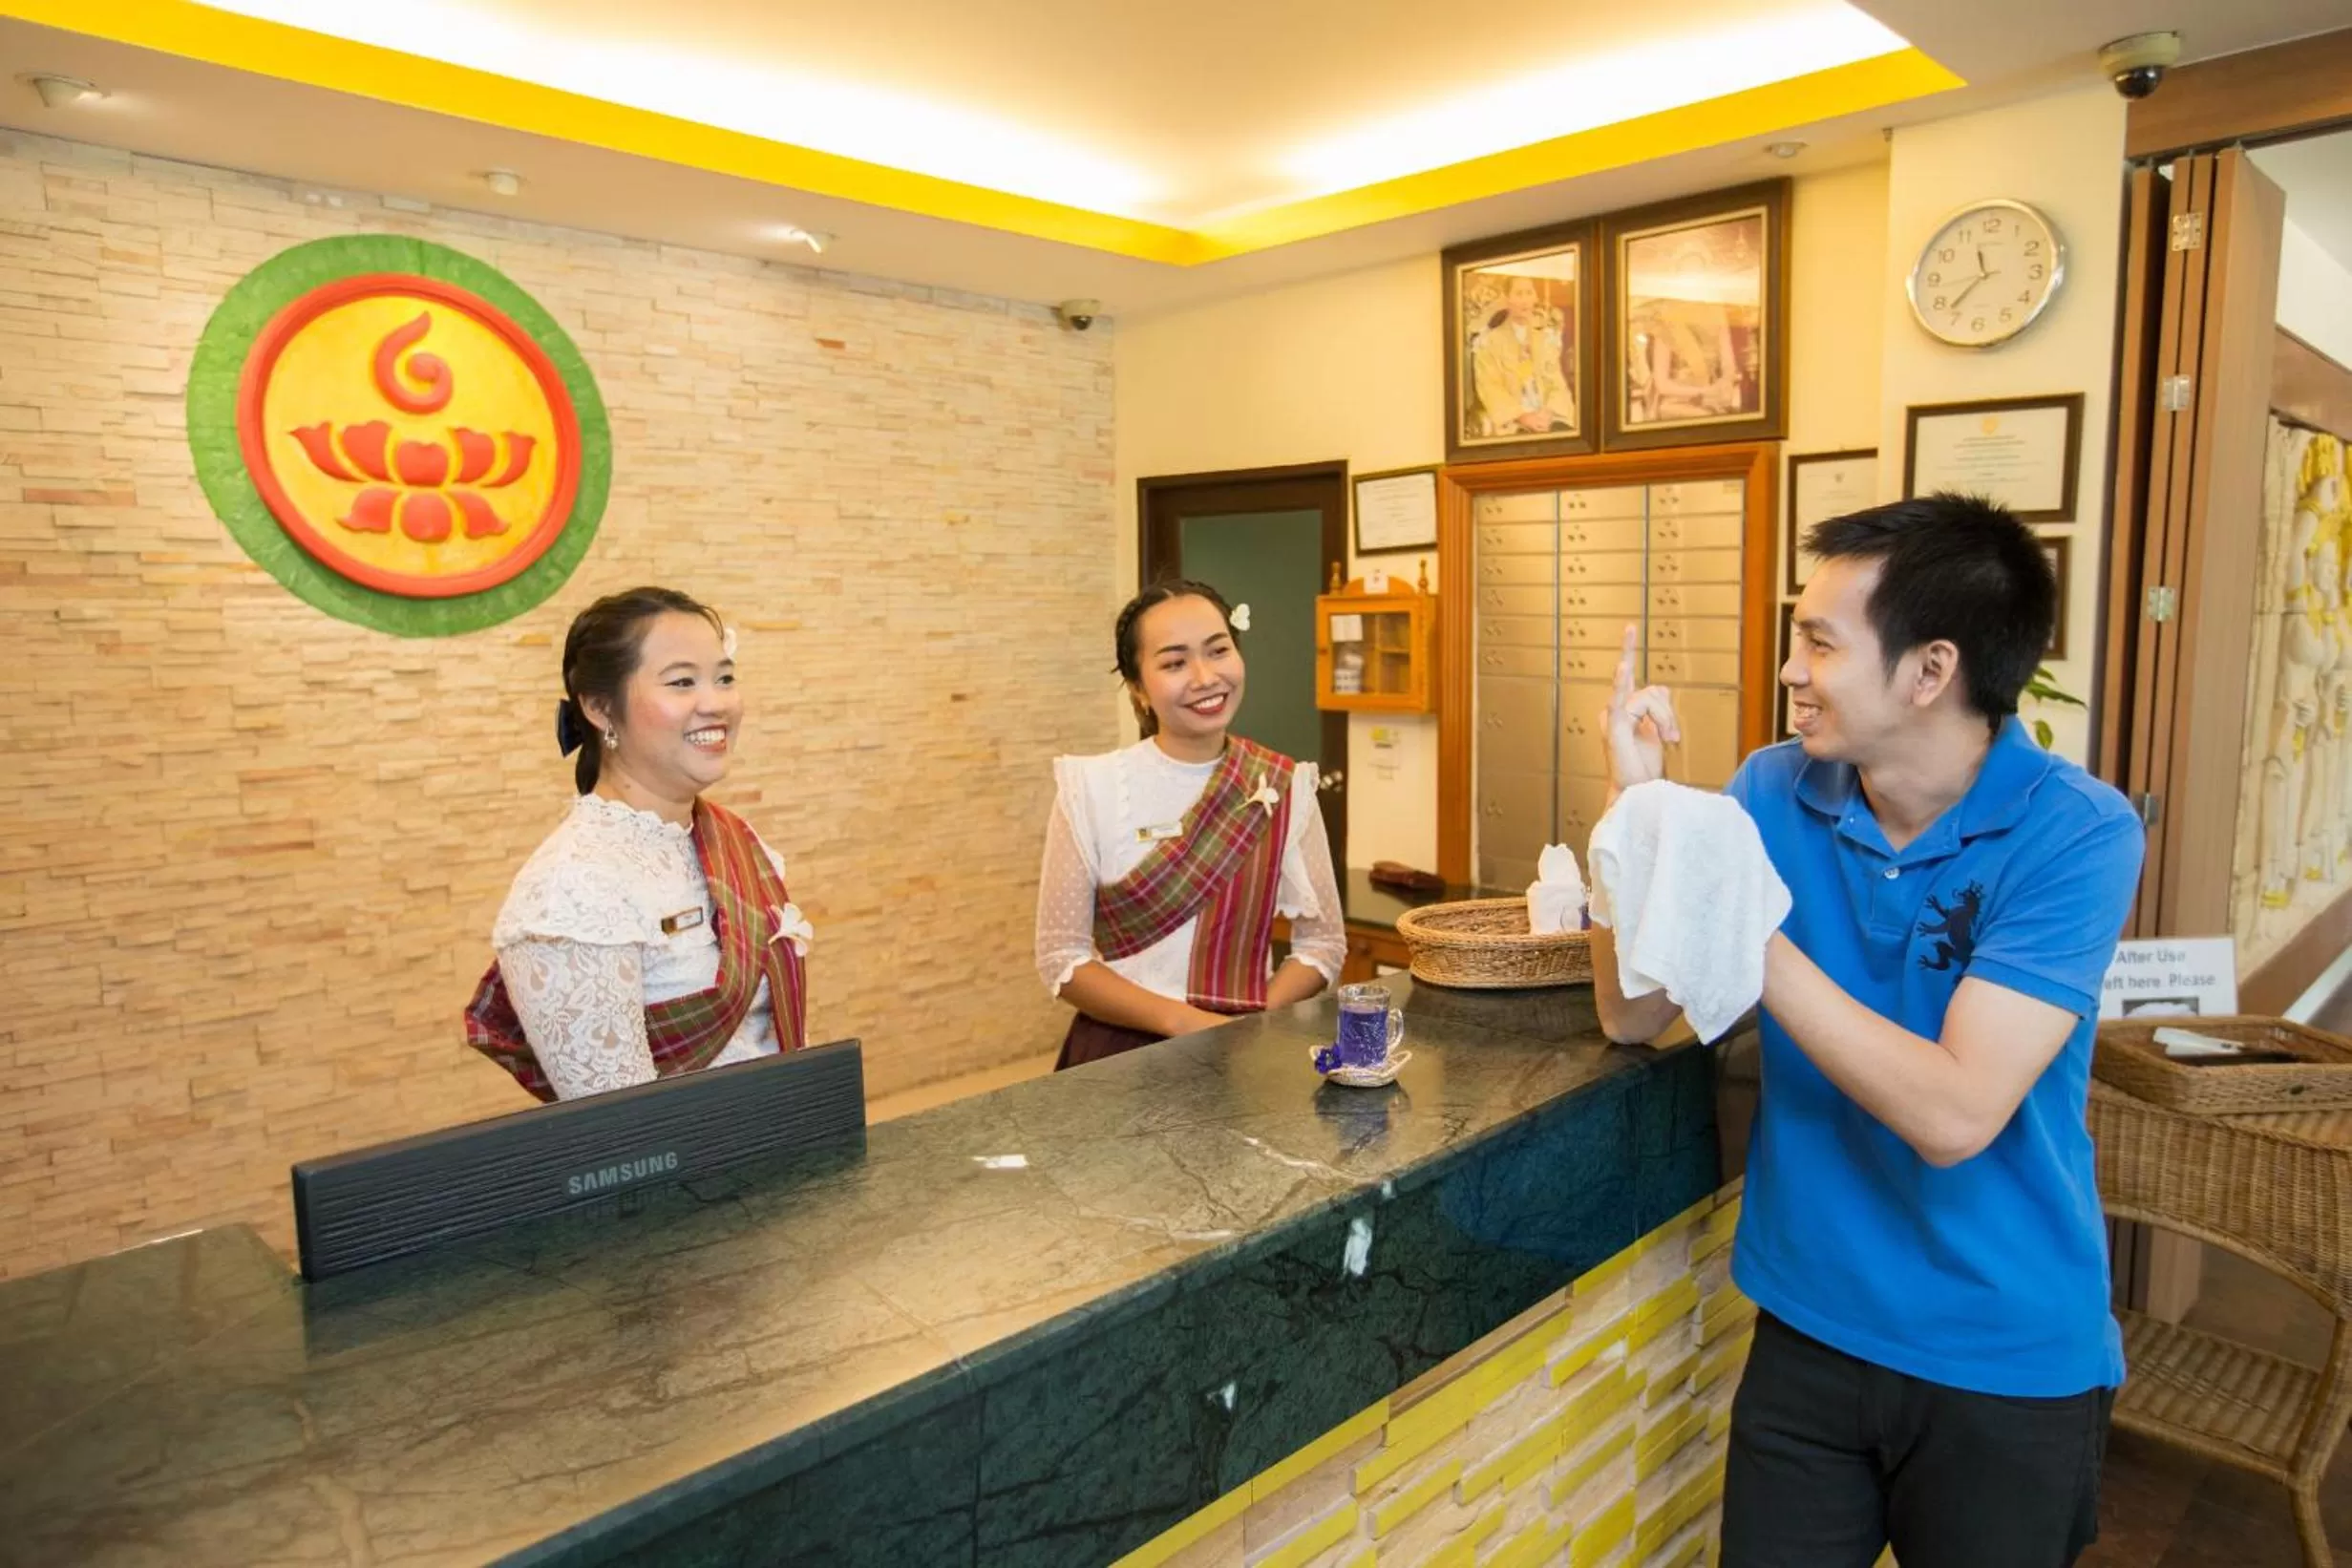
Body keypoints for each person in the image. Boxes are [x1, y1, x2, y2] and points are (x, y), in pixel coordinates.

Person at [1591, 495, 2143, 1568]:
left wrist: (1727, 903)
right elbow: (1631, 1012)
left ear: (1930, 670)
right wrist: (1638, 813)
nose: (1791, 669)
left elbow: (1954, 1109)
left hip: (2004, 1353)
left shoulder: (2076, 832)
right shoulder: (1773, 787)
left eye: (1817, 642)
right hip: (1807, 1328)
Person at [464, 586, 809, 1101]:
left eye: (725, 678)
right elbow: (621, 1131)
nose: (715, 704)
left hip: (789, 1144)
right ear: (601, 708)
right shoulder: (570, 889)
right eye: (682, 682)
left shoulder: (735, 837)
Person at [1035, 580, 1346, 1068]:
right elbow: (1062, 960)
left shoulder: (1285, 785)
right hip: (1118, 1058)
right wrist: (1185, 1023)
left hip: (1242, 1052)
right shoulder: (1089, 787)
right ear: (1138, 688)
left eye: (1218, 651)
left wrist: (1256, 1018)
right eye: (1175, 663)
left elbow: (1324, 943)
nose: (1205, 677)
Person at [1473, 275, 1579, 436]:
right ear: (1507, 299)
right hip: (1514, 421)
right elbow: (1489, 387)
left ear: (1535, 297)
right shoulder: (1489, 342)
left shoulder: (1544, 338)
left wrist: (1548, 412)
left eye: (1529, 293)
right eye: (1519, 294)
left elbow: (1556, 382)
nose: (1525, 300)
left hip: (1548, 417)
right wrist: (1522, 416)